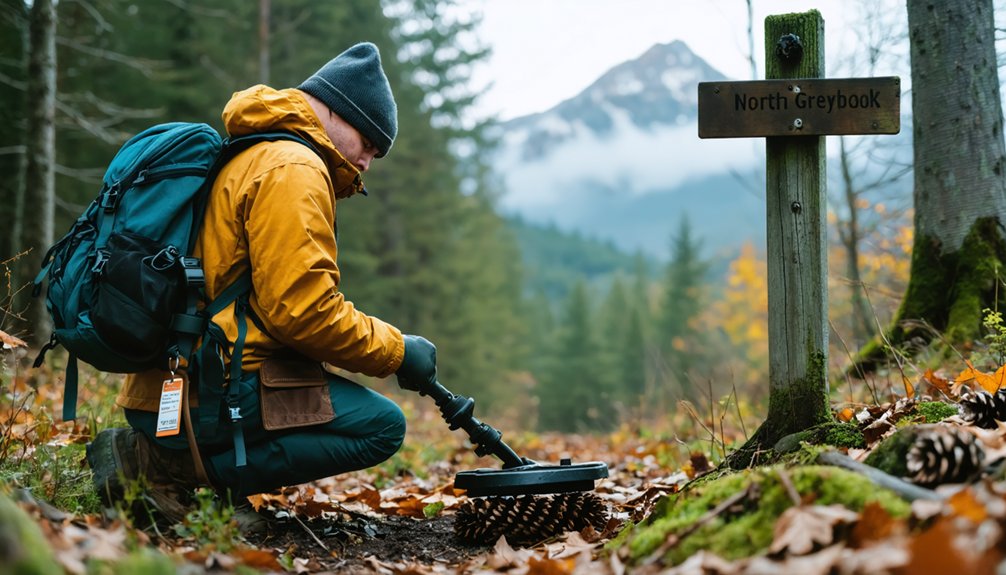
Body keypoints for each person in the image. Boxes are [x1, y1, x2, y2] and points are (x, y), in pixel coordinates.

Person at [85, 42, 438, 531]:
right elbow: (304, 313)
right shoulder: (294, 168)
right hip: (206, 393)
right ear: (336, 111)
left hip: (168, 386)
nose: (366, 163)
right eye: (369, 143)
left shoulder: (254, 150)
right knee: (380, 426)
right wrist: (397, 351)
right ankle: (160, 467)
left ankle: (186, 472)